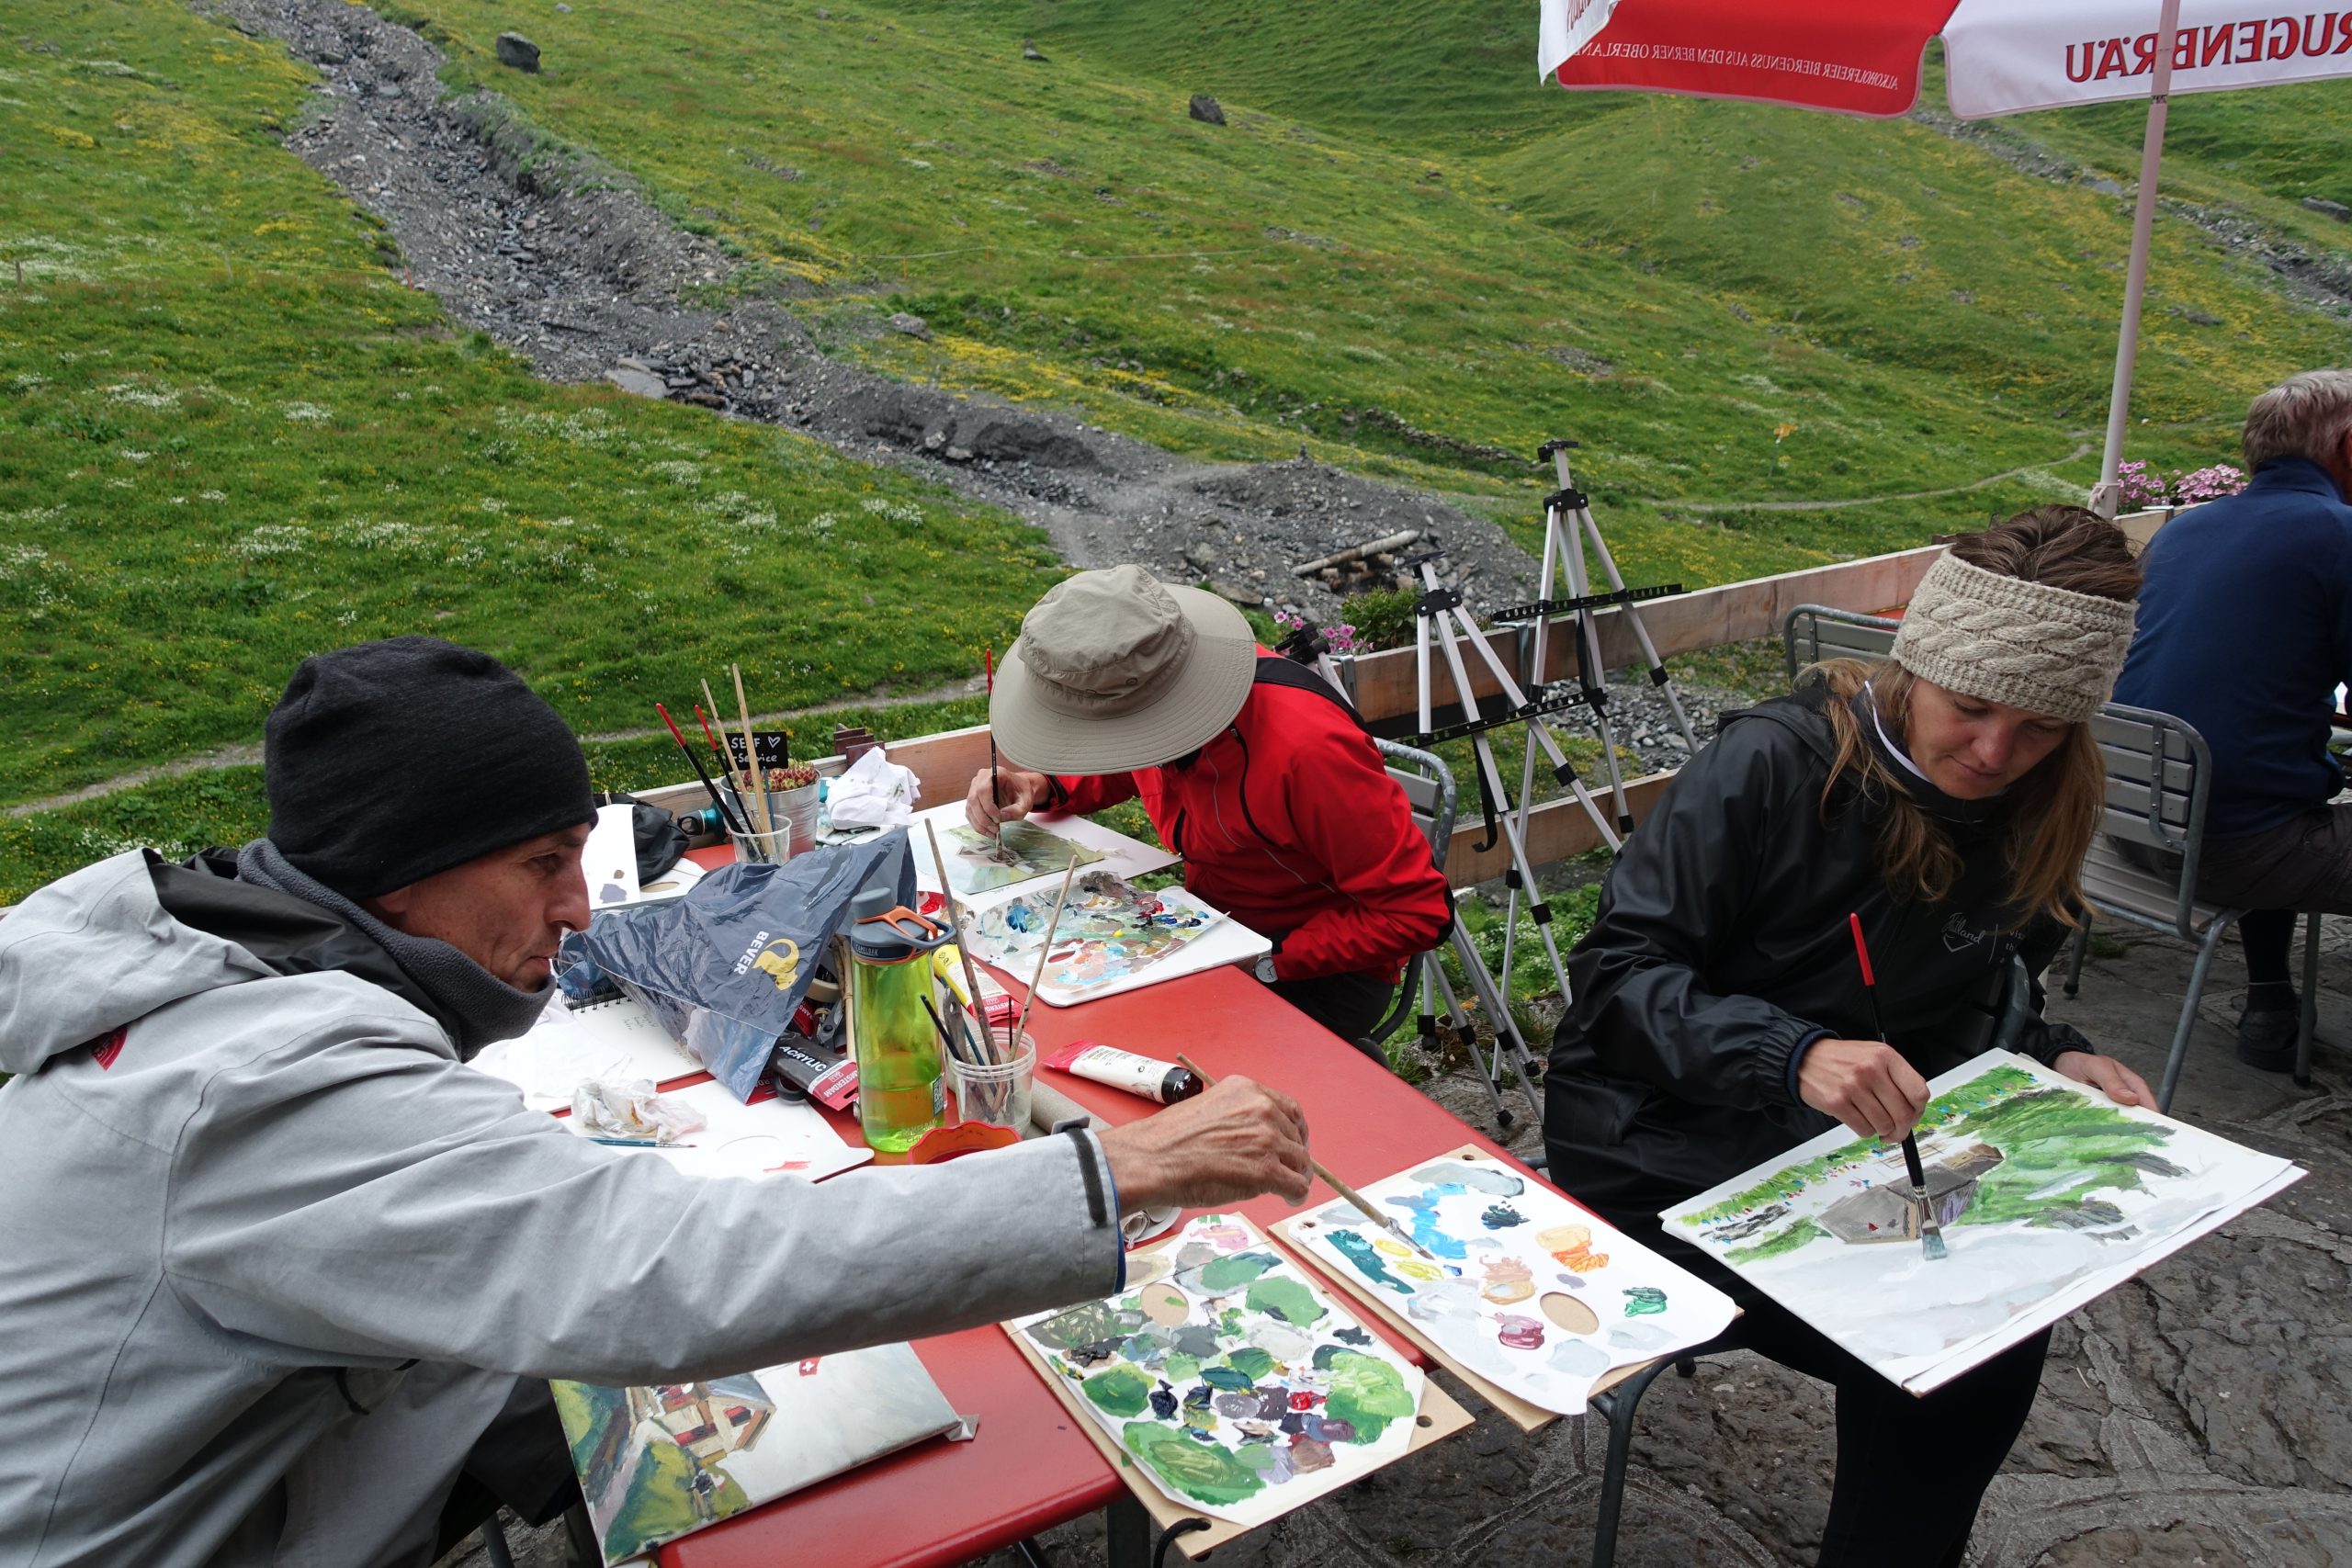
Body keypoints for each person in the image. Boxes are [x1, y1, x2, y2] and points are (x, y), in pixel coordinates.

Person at [0, 637, 1313, 1568]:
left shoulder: (235, 979)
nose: (580, 907)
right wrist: (1119, 1174)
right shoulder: (260, 1085)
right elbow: (666, 1269)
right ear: (399, 873)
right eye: (542, 861)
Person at [1544, 510, 2157, 1568]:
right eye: (1969, 708)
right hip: (1659, 1144)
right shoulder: (1769, 767)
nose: (1994, 752)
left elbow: (1977, 990)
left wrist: (2049, 1048)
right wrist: (1789, 1053)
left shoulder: (2042, 796)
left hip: (1846, 1145)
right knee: (1950, 1335)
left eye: (2043, 727)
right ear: (1914, 667)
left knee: (1997, 1314)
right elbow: (1614, 982)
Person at [966, 566, 1453, 1047]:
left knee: (1137, 1053)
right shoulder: (1156, 702)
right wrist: (1039, 785)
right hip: (1206, 928)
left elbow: (1418, 912)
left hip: (1315, 967)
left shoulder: (1309, 752)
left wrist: (1263, 959)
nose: (1109, 742)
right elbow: (1126, 759)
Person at [2113, 367, 2352, 1069]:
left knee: (2276, 787)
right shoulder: (2339, 533)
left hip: (2132, 826)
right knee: (2279, 806)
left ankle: (2272, 1003)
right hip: (2231, 849)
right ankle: (2272, 1005)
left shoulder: (2185, 532)